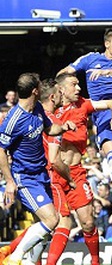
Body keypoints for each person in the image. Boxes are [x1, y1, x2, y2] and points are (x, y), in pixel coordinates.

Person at [57, 27, 112, 213]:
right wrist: (66, 83)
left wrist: (108, 72)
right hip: (101, 112)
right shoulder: (90, 59)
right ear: (107, 44)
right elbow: (63, 73)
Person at [45, 73, 112, 265]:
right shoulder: (48, 110)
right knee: (57, 224)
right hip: (53, 173)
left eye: (79, 84)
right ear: (61, 89)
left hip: (76, 173)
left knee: (88, 222)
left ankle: (95, 261)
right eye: (74, 84)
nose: (79, 88)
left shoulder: (83, 104)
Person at [0, 73, 76, 265]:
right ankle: (14, 258)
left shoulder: (38, 109)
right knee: (52, 220)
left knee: (44, 228)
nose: (43, 88)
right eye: (40, 86)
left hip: (41, 174)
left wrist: (64, 126)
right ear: (35, 91)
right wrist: (10, 181)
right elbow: (1, 150)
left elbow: (50, 129)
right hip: (25, 178)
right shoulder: (14, 120)